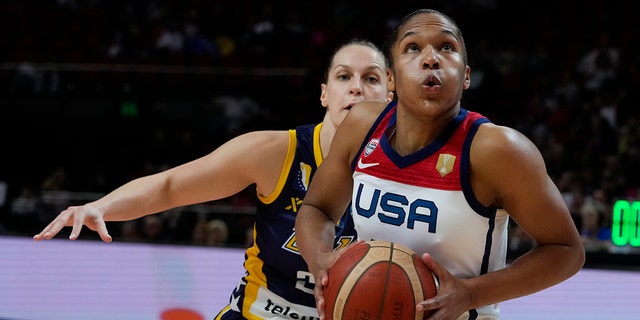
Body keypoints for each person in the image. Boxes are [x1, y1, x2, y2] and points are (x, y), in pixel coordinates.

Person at [33, 39, 394, 319]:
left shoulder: (412, 168)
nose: (356, 87)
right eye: (344, 76)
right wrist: (101, 206)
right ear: (324, 94)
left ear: (389, 95)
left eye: (371, 78)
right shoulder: (276, 152)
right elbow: (169, 185)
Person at [294, 9, 585, 320]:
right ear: (390, 77)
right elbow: (316, 209)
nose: (431, 58)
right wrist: (321, 260)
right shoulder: (363, 124)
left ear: (466, 75)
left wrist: (471, 293)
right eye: (413, 48)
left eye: (447, 47)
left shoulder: (497, 150)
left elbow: (566, 251)